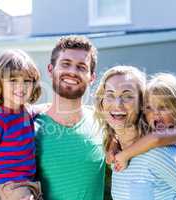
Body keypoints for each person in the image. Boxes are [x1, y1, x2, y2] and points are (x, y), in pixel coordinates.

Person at [94, 66, 176, 200]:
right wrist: (113, 145)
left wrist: (124, 155)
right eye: (149, 108)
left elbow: (156, 139)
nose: (155, 114)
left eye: (163, 107)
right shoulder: (135, 146)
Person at [34, 35, 105, 200]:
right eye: (65, 64)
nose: (72, 72)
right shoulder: (29, 126)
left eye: (81, 67)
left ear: (92, 78)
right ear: (51, 70)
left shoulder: (102, 122)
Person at [0, 49, 43, 200]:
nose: (21, 86)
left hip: (28, 184)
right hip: (7, 186)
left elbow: (43, 108)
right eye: (13, 80)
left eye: (27, 81)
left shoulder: (26, 113)